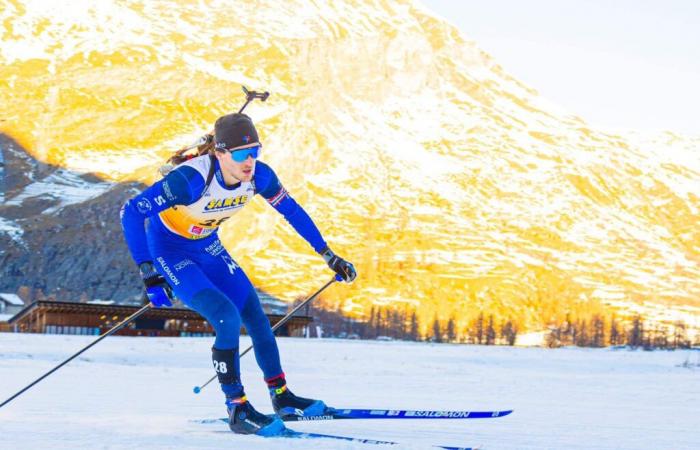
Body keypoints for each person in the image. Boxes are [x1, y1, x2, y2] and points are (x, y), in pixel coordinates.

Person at [119, 113, 356, 436]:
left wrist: (328, 255)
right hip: (171, 251)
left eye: (255, 151)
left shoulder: (260, 176)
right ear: (220, 153)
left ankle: (281, 396)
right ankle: (237, 407)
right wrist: (149, 272)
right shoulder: (189, 180)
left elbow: (292, 211)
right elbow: (131, 211)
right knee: (226, 317)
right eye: (242, 154)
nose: (250, 161)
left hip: (208, 247)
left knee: (256, 316)